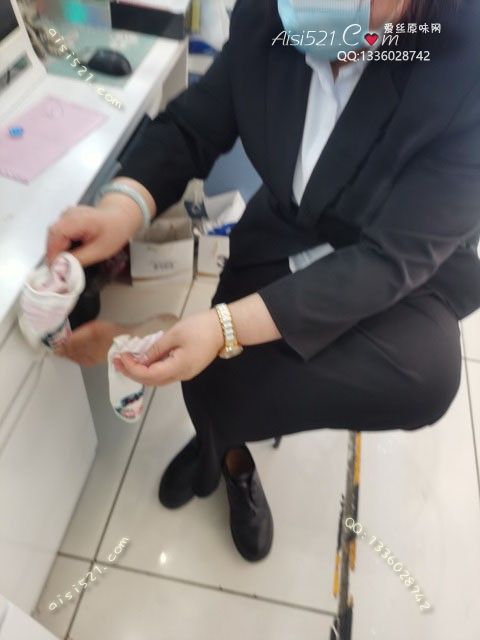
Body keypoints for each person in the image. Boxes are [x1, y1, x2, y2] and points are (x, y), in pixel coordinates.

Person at [46, 0, 480, 562]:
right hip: (288, 232)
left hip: (403, 256)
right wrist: (121, 209)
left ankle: (195, 382)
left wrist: (224, 327)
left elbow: (391, 258)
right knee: (217, 363)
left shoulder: (462, 66)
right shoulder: (266, 18)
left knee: (425, 374)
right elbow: (195, 125)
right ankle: (227, 456)